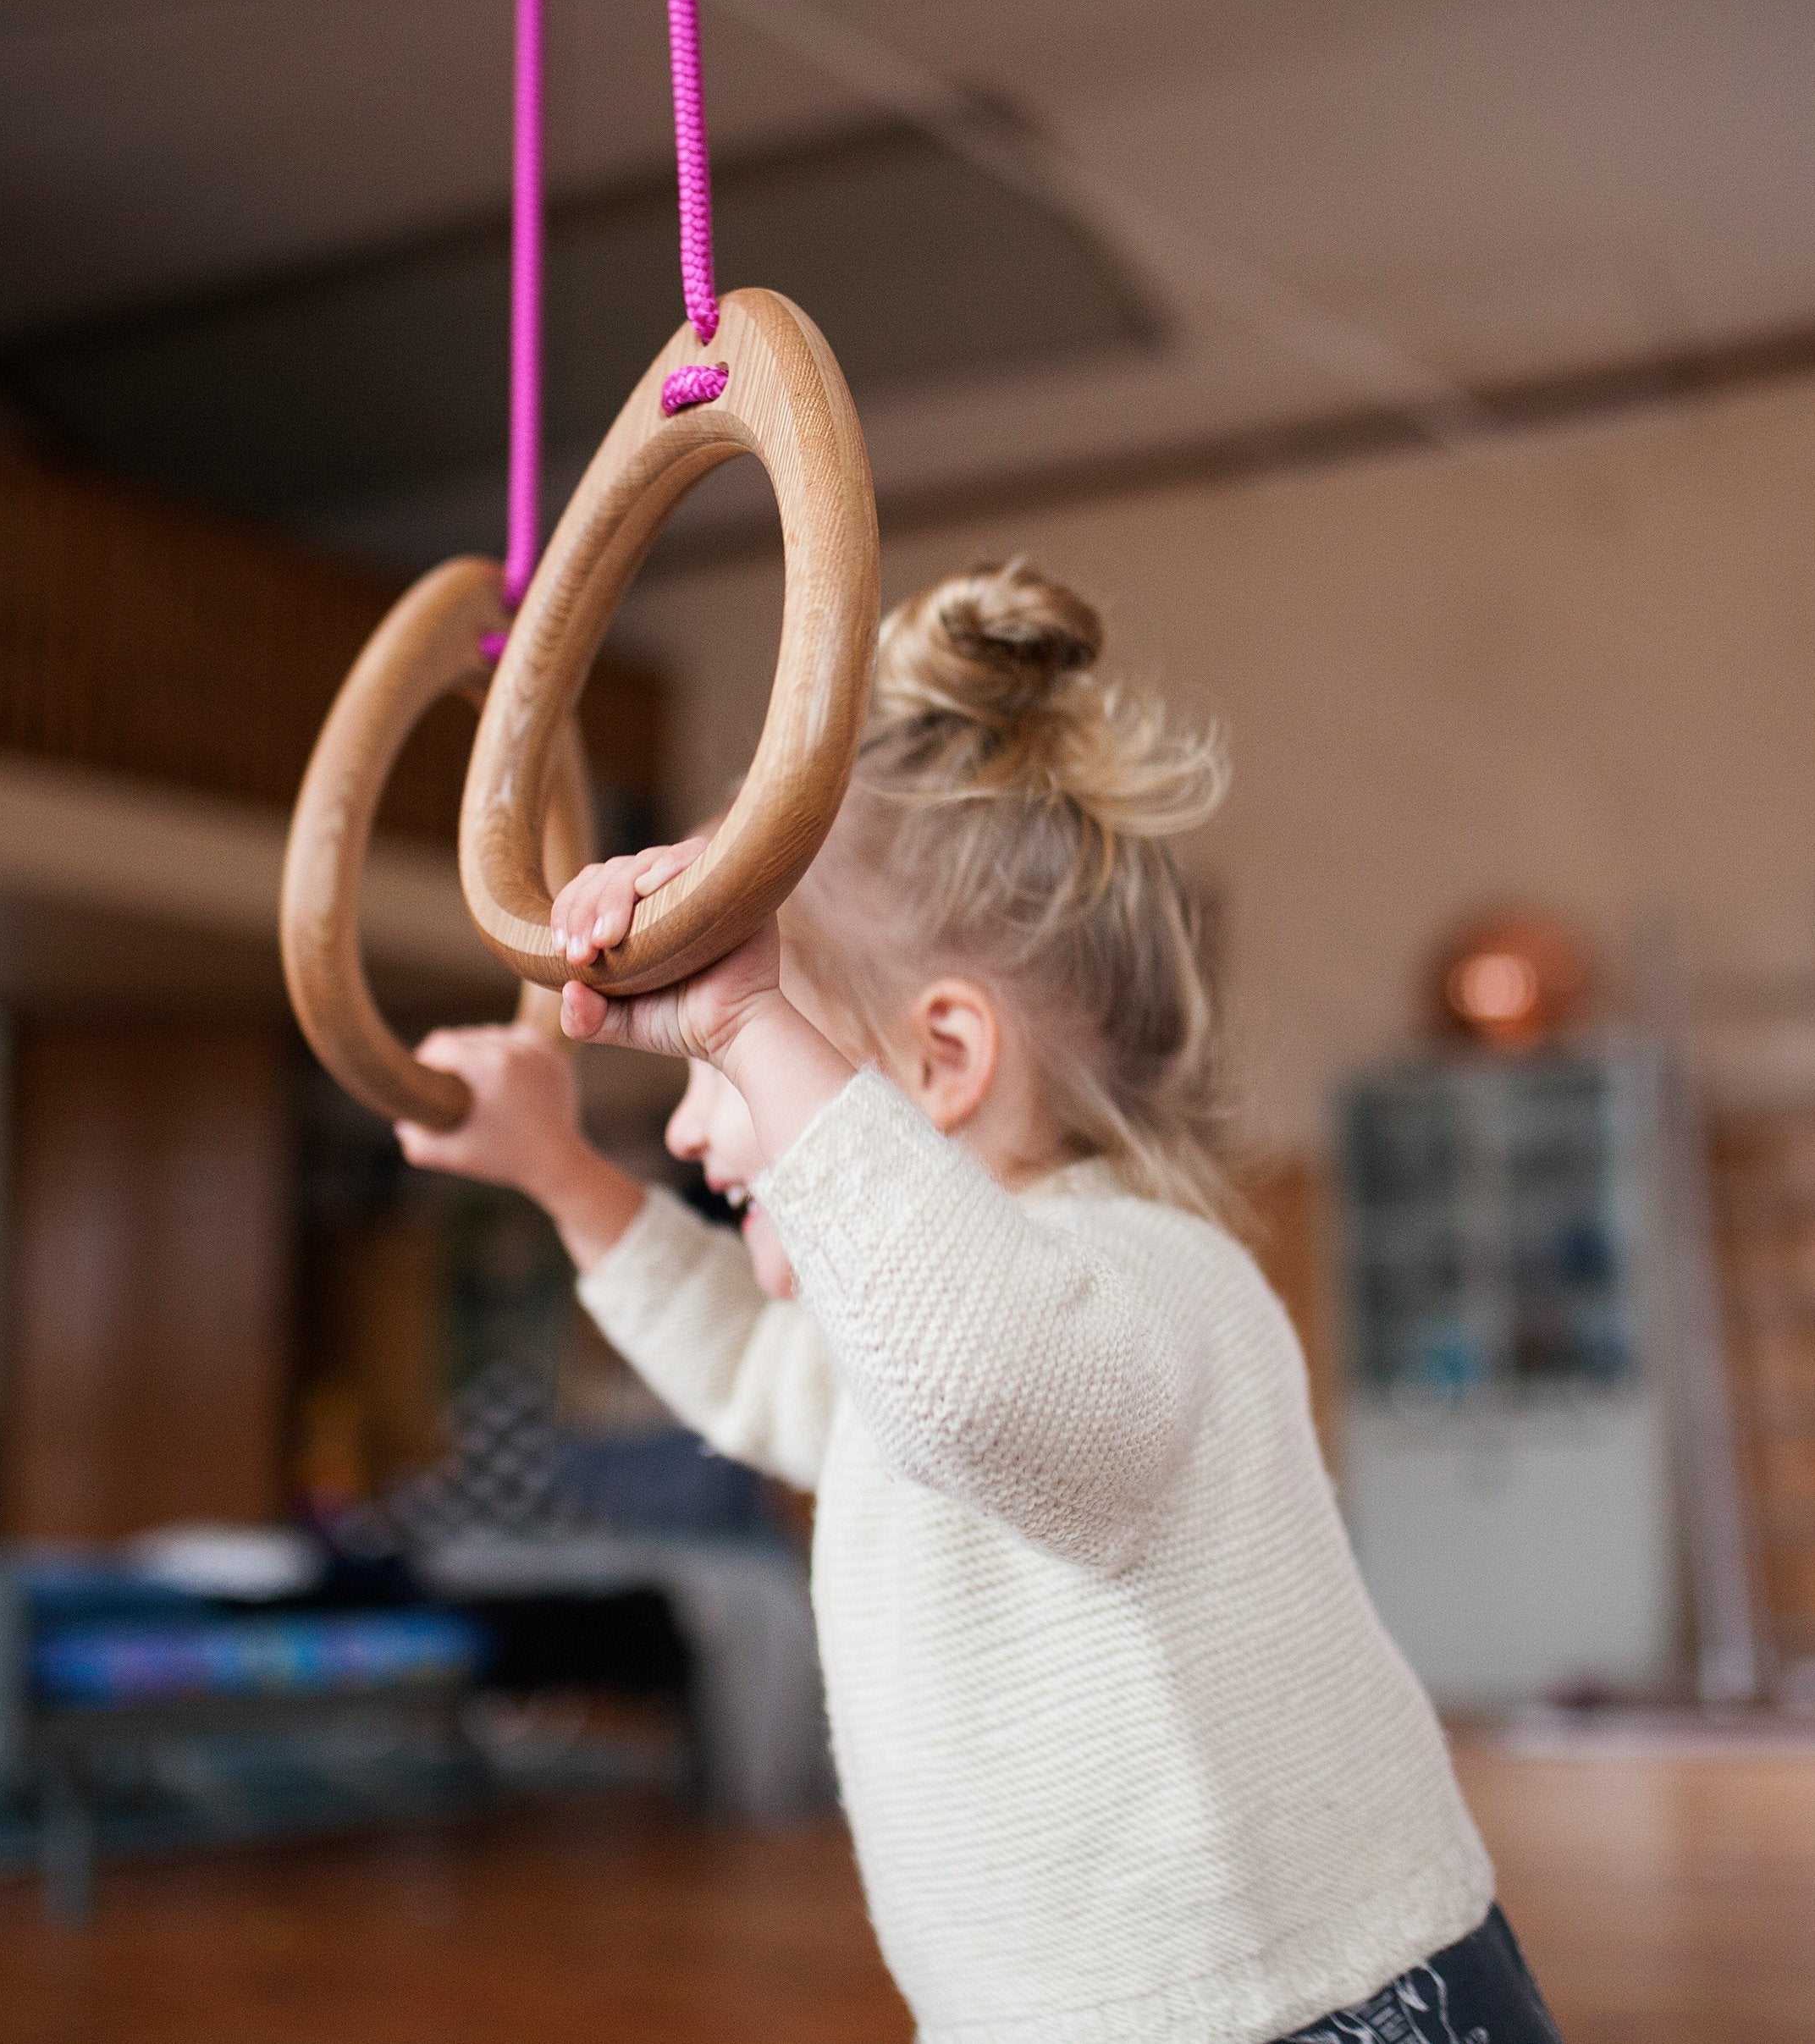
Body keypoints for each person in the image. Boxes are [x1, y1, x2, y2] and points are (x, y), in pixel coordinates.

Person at [402, 562, 1561, 2044]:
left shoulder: (1150, 1283)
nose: (691, 1133)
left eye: (723, 1074)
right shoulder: (894, 1341)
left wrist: (750, 1020)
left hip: (1322, 2004)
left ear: (941, 1065)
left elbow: (985, 1383)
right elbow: (754, 1371)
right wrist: (565, 1176)